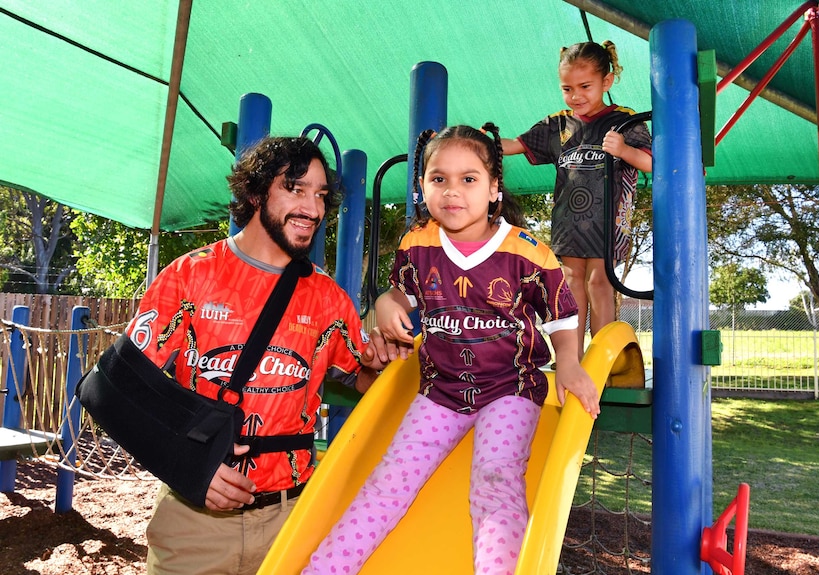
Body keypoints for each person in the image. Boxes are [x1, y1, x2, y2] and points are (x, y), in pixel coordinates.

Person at [302, 123, 600, 575]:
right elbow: (402, 294)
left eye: (469, 179)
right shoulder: (417, 244)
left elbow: (562, 313)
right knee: (389, 480)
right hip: (440, 391)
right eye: (438, 178)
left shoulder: (526, 252)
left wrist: (572, 364)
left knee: (495, 480)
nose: (452, 191)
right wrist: (386, 302)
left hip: (510, 388)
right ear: (421, 187)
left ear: (494, 188)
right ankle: (324, 569)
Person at [129, 136, 388, 575]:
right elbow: (124, 389)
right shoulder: (191, 276)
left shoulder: (327, 297)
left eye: (321, 195)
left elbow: (360, 378)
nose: (312, 208)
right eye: (295, 188)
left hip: (293, 521)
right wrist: (188, 464)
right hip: (195, 523)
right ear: (254, 193)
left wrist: (383, 361)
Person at [502, 40, 652, 358]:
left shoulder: (624, 121)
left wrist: (624, 150)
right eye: (567, 88)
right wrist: (476, 141)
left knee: (599, 282)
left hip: (607, 221)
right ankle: (572, 357)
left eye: (585, 86)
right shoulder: (559, 124)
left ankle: (603, 359)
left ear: (606, 82)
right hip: (570, 222)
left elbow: (655, 163)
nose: (576, 96)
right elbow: (515, 144)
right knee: (570, 284)